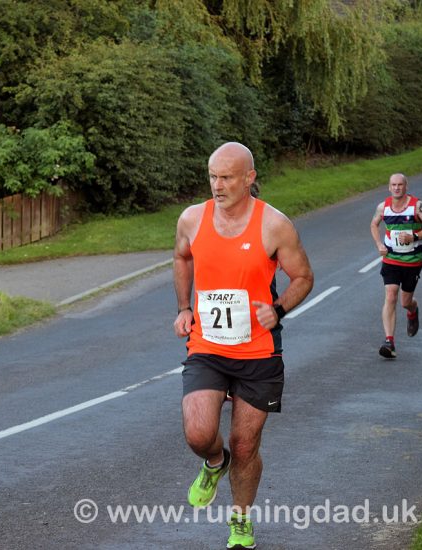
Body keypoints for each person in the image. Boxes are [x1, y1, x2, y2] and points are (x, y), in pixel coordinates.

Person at [173, 142, 314, 549]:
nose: (217, 185)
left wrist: (279, 308)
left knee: (245, 444)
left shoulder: (274, 225)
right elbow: (182, 258)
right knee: (198, 433)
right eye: (212, 177)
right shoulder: (192, 219)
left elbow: (304, 277)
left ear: (249, 178)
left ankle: (240, 521)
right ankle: (214, 462)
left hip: (258, 352)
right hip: (207, 346)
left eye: (227, 178)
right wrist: (184, 307)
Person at [369, 173, 422, 359]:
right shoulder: (383, 207)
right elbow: (374, 225)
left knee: (405, 302)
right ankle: (389, 342)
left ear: (406, 186)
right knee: (390, 295)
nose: (397, 188)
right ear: (389, 187)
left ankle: (413, 310)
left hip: (413, 260)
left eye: (400, 185)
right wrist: (379, 244)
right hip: (391, 259)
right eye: (393, 185)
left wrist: (414, 236)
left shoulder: (417, 206)